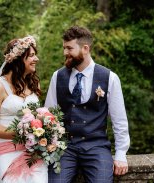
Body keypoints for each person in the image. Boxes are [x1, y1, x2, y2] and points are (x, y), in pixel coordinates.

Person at [45, 26, 130, 183]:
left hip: (97, 147)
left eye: (69, 48)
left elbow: (119, 121)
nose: (65, 53)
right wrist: (48, 147)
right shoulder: (57, 76)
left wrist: (120, 154)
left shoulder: (109, 77)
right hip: (65, 148)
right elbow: (48, 116)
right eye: (64, 48)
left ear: (85, 48)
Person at [0, 36, 48, 183]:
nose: (36, 59)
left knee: (39, 179)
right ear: (18, 59)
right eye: (31, 55)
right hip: (3, 148)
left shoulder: (34, 84)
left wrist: (43, 130)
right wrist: (21, 133)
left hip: (31, 149)